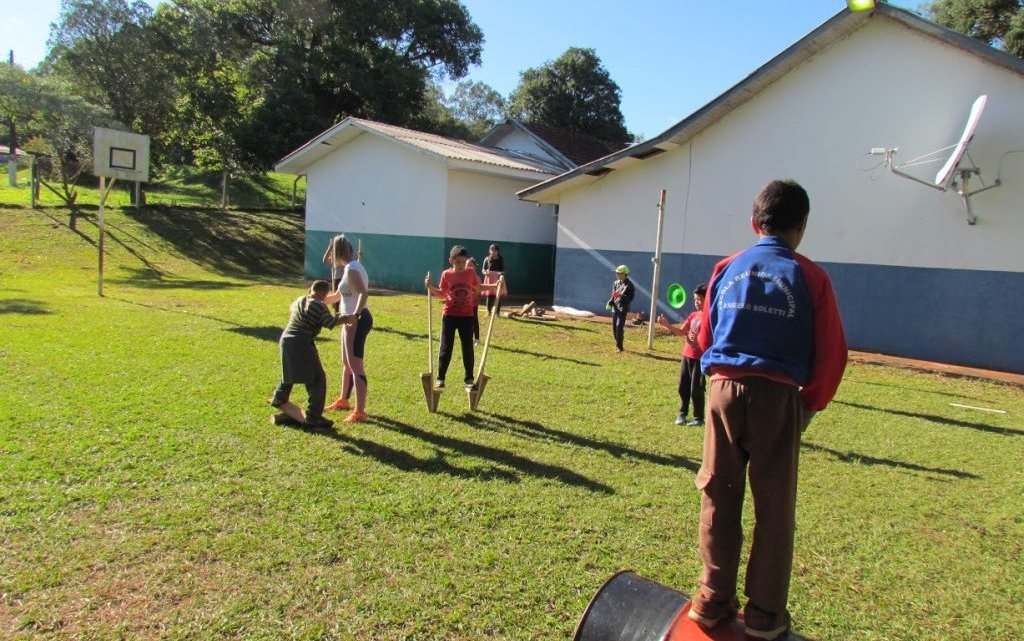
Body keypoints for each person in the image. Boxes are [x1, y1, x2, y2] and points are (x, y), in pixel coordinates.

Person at [687, 180, 848, 641]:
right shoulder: (812, 277)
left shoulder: (727, 267)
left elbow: (704, 339)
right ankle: (764, 615)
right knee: (773, 508)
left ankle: (712, 600)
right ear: (801, 228)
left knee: (718, 495)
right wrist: (809, 404)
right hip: (778, 398)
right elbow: (833, 352)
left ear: (755, 223)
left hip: (722, 390)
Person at [269, 280, 347, 429]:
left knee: (289, 372)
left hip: (286, 339)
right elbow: (329, 323)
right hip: (302, 342)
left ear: (310, 289)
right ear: (324, 294)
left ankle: (279, 397)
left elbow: (293, 309)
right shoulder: (319, 305)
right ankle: (313, 416)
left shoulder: (300, 299)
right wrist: (345, 318)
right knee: (317, 379)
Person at [425, 245, 499, 390]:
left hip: (466, 316)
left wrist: (494, 286)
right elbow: (441, 293)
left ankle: (469, 379)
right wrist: (430, 287)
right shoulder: (446, 274)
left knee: (467, 348)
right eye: (458, 262)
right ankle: (440, 378)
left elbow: (478, 288)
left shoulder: (470, 273)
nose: (461, 265)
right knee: (446, 347)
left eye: (463, 262)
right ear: (451, 261)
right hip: (449, 315)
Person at [321, 234, 373, 423]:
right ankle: (343, 400)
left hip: (356, 319)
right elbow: (338, 296)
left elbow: (363, 293)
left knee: (355, 364)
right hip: (348, 318)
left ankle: (360, 411)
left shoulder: (352, 269)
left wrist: (356, 315)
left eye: (333, 252)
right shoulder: (350, 267)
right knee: (346, 362)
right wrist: (317, 300)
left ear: (338, 252)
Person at [657, 283, 708, 426]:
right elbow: (682, 331)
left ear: (707, 299)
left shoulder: (711, 317)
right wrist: (666, 324)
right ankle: (682, 414)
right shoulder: (693, 315)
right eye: (695, 300)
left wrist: (698, 341)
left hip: (700, 358)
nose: (696, 302)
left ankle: (699, 418)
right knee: (683, 386)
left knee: (696, 388)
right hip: (687, 355)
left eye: (699, 300)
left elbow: (712, 339)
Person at [607, 265, 635, 352]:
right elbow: (613, 295)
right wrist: (610, 302)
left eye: (618, 273)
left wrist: (621, 295)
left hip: (623, 309)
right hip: (615, 309)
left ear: (624, 274)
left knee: (619, 327)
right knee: (615, 329)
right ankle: (618, 342)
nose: (617, 274)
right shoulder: (615, 283)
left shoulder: (630, 285)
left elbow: (630, 299)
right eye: (616, 273)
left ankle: (619, 347)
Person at [482, 243, 507, 316]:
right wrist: (485, 272)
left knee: (497, 296)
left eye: (495, 250)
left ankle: (497, 313)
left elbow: (503, 271)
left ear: (498, 251)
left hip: (498, 280)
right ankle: (488, 312)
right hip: (489, 280)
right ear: (489, 251)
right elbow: (483, 270)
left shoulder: (501, 259)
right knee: (489, 297)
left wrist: (499, 274)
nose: (493, 252)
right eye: (491, 250)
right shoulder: (486, 259)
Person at [467, 257, 481, 345]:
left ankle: (477, 338)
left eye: (471, 266)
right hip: (466, 302)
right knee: (467, 321)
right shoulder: (463, 275)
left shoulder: (477, 277)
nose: (469, 267)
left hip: (474, 302)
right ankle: (469, 338)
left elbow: (478, 289)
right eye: (467, 265)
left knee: (474, 320)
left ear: (474, 267)